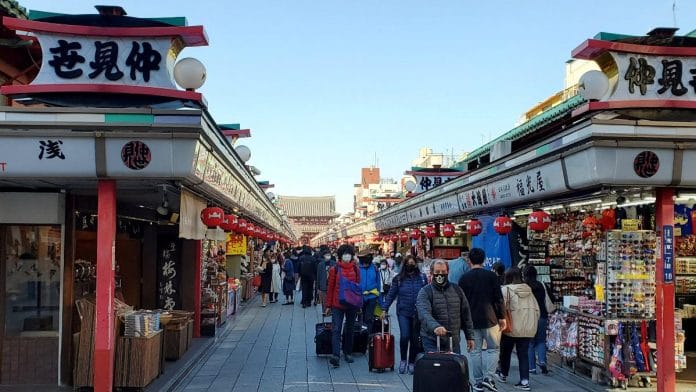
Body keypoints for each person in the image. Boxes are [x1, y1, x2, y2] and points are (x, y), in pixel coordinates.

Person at [458, 248, 506, 392]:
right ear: (484, 260)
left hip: (471, 321)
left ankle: (478, 382)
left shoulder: (464, 278)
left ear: (469, 261)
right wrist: (502, 317)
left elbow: (461, 302)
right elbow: (498, 299)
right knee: (493, 349)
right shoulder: (491, 277)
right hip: (491, 319)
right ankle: (489, 378)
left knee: (475, 351)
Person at [416, 260, 475, 356]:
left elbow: (466, 314)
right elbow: (424, 313)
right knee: (436, 368)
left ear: (448, 272)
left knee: (453, 369)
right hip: (432, 340)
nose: (440, 275)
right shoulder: (425, 292)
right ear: (431, 273)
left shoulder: (457, 290)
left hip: (453, 341)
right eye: (437, 272)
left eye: (443, 272)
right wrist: (436, 327)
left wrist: (470, 336)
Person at [496, 267, 540, 391]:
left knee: (506, 351)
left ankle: (503, 374)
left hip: (511, 327)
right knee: (523, 354)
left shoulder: (505, 290)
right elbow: (537, 309)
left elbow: (500, 308)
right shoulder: (528, 290)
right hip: (528, 328)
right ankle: (524, 381)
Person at [382, 255, 427, 374]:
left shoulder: (422, 278)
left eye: (413, 263)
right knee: (404, 336)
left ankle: (412, 362)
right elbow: (391, 295)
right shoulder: (398, 279)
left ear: (416, 265)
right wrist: (384, 309)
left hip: (418, 313)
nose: (410, 265)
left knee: (415, 339)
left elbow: (428, 295)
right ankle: (403, 360)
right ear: (404, 265)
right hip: (403, 312)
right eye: (408, 263)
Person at [325, 244, 361, 368]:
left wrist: (359, 303)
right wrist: (328, 305)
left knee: (350, 329)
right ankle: (335, 355)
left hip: (352, 305)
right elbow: (330, 288)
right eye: (344, 254)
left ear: (351, 255)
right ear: (340, 256)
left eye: (348, 253)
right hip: (337, 305)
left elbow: (358, 288)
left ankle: (348, 352)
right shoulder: (334, 269)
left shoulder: (356, 269)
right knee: (336, 329)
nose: (347, 256)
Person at [522, 265, 553, 375]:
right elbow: (552, 298)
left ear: (524, 275)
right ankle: (542, 361)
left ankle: (531, 368)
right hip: (542, 316)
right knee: (541, 341)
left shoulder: (524, 287)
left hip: (529, 316)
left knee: (530, 343)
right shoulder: (542, 285)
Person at [359, 253, 380, 333]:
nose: (365, 265)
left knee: (369, 317)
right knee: (361, 317)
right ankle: (361, 336)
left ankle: (368, 336)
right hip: (360, 297)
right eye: (364, 263)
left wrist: (380, 300)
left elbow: (378, 284)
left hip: (372, 297)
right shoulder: (357, 269)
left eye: (367, 263)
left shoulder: (375, 268)